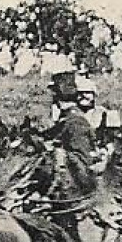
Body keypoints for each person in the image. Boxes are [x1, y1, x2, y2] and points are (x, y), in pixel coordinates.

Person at [46, 69, 98, 200]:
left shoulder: (75, 123)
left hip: (73, 194)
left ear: (56, 95)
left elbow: (82, 165)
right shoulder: (67, 120)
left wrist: (56, 155)